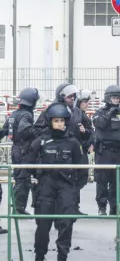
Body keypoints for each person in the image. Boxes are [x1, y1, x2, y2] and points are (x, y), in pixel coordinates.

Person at [29, 102, 85, 261]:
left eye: (62, 121)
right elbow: (28, 162)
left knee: (66, 222)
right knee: (43, 224)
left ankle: (62, 256)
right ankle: (40, 255)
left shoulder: (73, 142)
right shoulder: (41, 141)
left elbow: (81, 167)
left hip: (66, 186)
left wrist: (75, 188)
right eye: (56, 121)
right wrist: (32, 178)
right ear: (50, 122)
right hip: (45, 185)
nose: (59, 124)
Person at [92, 86, 120, 216]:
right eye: (113, 97)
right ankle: (102, 207)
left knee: (115, 182)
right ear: (108, 98)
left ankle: (115, 208)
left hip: (117, 152)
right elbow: (99, 124)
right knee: (102, 181)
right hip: (103, 152)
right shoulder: (100, 112)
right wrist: (109, 114)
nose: (116, 100)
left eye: (118, 98)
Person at [10, 87, 40, 215]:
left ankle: (16, 205)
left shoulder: (14, 114)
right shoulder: (26, 114)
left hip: (15, 148)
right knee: (23, 179)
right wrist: (37, 134)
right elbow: (24, 129)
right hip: (24, 149)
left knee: (18, 178)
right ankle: (19, 208)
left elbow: (6, 129)